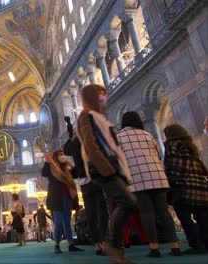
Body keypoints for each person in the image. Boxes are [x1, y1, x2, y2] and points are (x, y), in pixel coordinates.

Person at [76, 84, 136, 264]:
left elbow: (112, 146)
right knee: (128, 203)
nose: (104, 98)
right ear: (93, 97)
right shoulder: (86, 115)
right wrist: (105, 168)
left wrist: (123, 169)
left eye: (104, 95)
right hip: (102, 168)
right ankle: (112, 244)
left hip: (113, 167)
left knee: (117, 206)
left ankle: (118, 253)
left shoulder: (101, 117)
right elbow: (90, 144)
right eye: (100, 95)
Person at [117, 111, 181, 257]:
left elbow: (118, 160)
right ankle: (175, 246)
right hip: (158, 176)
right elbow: (158, 153)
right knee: (163, 212)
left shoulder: (119, 137)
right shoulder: (147, 134)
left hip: (138, 179)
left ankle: (154, 247)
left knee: (147, 213)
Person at [63, 116, 109, 255]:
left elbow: (65, 149)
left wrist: (70, 131)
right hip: (98, 179)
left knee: (91, 213)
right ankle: (104, 243)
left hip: (85, 182)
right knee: (102, 212)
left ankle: (97, 245)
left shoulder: (76, 142)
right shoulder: (94, 138)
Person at [164, 124, 208, 254]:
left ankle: (197, 245)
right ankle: (206, 243)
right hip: (199, 188)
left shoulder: (173, 145)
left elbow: (176, 169)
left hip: (184, 188)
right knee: (202, 217)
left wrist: (170, 184)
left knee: (185, 218)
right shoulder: (190, 145)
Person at [42, 150, 84, 253]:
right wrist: (48, 161)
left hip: (67, 197)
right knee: (59, 223)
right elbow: (44, 173)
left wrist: (71, 165)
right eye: (60, 154)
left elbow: (76, 174)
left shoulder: (66, 169)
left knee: (67, 222)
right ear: (56, 157)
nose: (63, 156)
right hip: (57, 199)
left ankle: (70, 244)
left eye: (63, 154)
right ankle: (57, 245)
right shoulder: (52, 168)